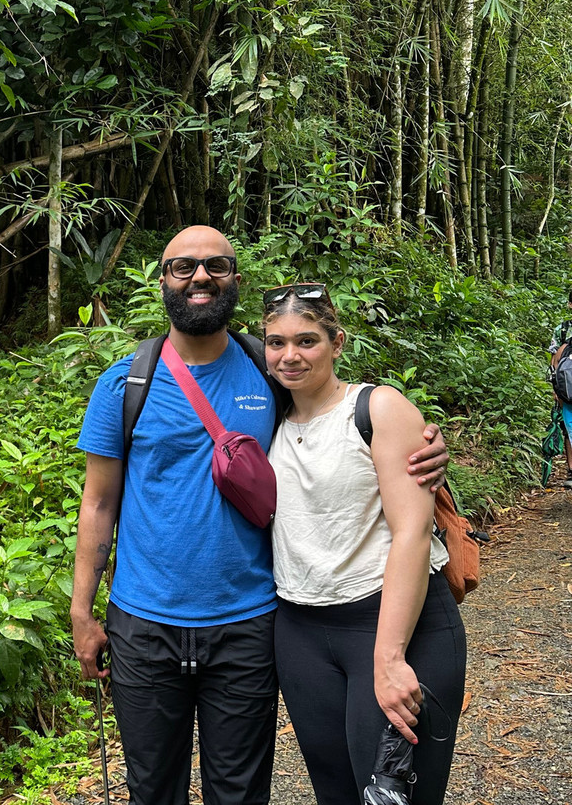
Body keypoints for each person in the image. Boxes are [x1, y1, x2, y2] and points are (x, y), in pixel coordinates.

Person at [70, 225, 449, 805]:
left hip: (248, 623)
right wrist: (81, 611)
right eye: (184, 267)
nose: (201, 276)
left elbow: (336, 417)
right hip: (143, 623)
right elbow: (98, 503)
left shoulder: (265, 370)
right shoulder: (124, 384)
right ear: (163, 281)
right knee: (151, 789)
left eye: (217, 265)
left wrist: (421, 445)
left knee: (242, 792)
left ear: (235, 282)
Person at [263, 283, 466, 805]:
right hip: (302, 629)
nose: (290, 355)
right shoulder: (267, 418)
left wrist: (390, 658)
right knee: (337, 794)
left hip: (393, 623)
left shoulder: (377, 407)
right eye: (276, 342)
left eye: (307, 341)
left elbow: (413, 531)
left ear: (337, 342)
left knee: (393, 797)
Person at [548, 289, 572, 488]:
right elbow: (553, 361)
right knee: (568, 430)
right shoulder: (562, 330)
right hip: (567, 389)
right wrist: (555, 388)